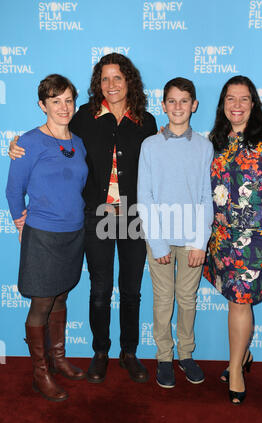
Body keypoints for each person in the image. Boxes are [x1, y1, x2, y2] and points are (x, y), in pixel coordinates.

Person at [9, 53, 157, 384]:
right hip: (97, 215)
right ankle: (101, 352)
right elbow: (52, 133)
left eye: (118, 77)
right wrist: (15, 145)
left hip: (133, 215)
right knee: (101, 288)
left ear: (129, 80)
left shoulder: (145, 121)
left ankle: (129, 353)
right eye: (104, 79)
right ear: (97, 84)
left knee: (131, 289)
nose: (111, 84)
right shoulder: (83, 118)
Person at [203, 75, 262, 404]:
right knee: (235, 300)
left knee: (241, 300)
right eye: (231, 99)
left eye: (243, 99)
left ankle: (236, 368)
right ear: (223, 104)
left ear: (253, 103)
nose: (237, 105)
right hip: (223, 237)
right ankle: (242, 356)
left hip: (259, 237)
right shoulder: (217, 139)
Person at [6, 74, 88, 402]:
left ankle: (57, 359)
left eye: (68, 99)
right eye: (55, 101)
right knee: (41, 302)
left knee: (61, 297)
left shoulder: (78, 143)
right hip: (42, 234)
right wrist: (19, 224)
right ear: (43, 105)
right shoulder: (28, 142)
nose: (63, 107)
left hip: (73, 232)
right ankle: (40, 373)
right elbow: (13, 191)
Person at [137, 77, 214, 388]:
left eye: (185, 101)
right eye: (172, 101)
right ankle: (164, 357)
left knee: (186, 298)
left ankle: (185, 353)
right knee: (163, 298)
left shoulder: (204, 146)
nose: (178, 106)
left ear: (194, 105)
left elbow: (206, 196)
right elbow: (145, 196)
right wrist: (156, 243)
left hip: (192, 239)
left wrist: (199, 242)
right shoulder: (151, 145)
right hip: (160, 239)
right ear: (164, 105)